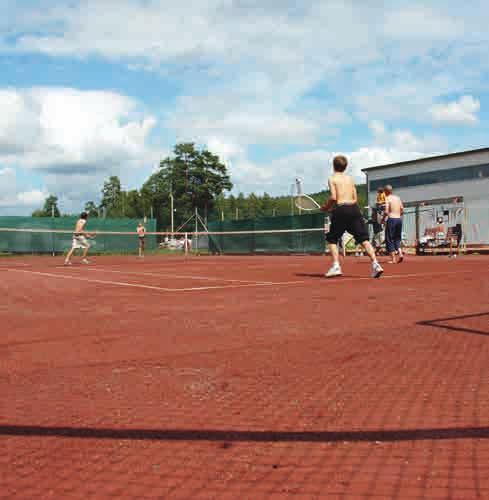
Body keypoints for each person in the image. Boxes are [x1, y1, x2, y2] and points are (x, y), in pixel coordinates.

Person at [322, 155, 384, 278]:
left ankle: (336, 266)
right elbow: (355, 198)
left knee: (332, 239)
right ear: (345, 167)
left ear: (333, 166)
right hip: (354, 209)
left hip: (341, 209)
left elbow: (334, 197)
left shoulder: (332, 178)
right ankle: (376, 264)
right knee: (364, 239)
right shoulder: (350, 179)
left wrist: (326, 207)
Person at [383, 185, 404, 263]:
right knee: (397, 237)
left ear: (386, 191)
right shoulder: (398, 198)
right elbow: (402, 209)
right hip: (399, 219)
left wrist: (383, 219)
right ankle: (400, 253)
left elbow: (386, 211)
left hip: (391, 219)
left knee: (389, 238)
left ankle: (393, 259)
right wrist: (399, 215)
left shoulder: (387, 198)